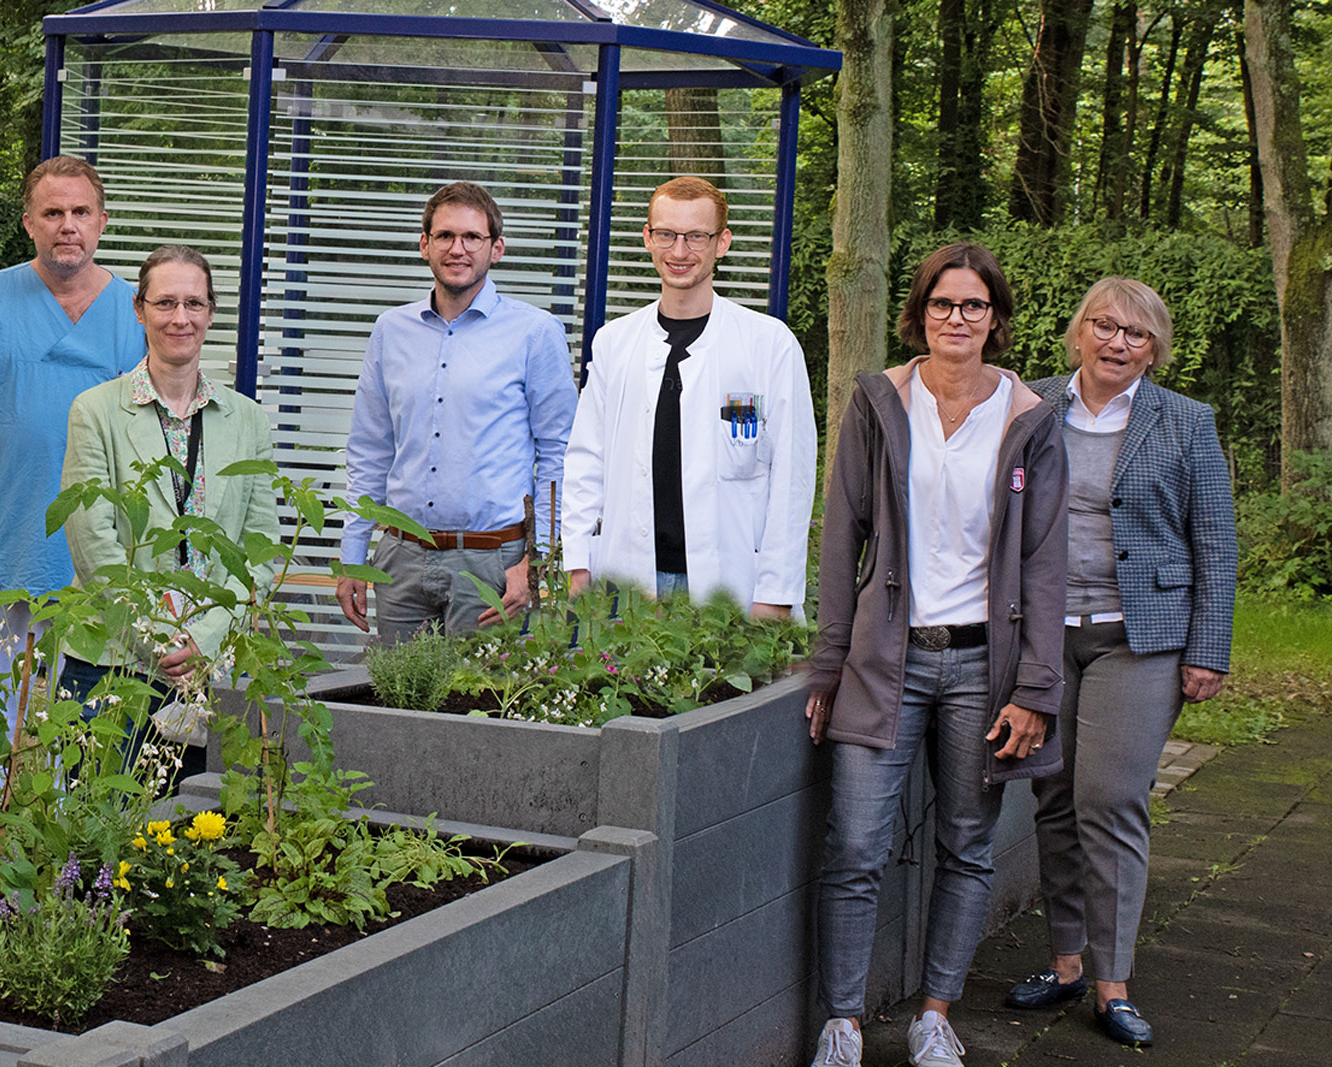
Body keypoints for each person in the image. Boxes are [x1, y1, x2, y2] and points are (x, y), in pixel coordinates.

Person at [805, 242, 1067, 1067]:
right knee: (853, 845)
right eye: (943, 304)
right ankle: (841, 1022)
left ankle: (934, 1014)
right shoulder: (881, 400)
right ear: (920, 313)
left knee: (967, 843)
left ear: (996, 319)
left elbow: (1047, 561)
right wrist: (827, 664)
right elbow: (841, 534)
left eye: (974, 306)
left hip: (984, 669)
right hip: (887, 661)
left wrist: (1037, 688)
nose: (958, 319)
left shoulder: (1029, 417)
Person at [1002, 278, 1236, 1048]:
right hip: (1044, 634)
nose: (1118, 344)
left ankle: (1113, 980)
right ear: (1078, 333)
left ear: (1155, 349)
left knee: (1109, 796)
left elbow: (1216, 541)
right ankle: (1066, 962)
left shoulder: (1185, 421)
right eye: (1105, 326)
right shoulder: (1030, 406)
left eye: (1137, 335)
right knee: (1054, 796)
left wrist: (1209, 648)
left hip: (1142, 635)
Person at [0, 156, 145, 771]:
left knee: (88, 742)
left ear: (103, 221)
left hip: (101, 566)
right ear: (28, 223)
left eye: (81, 212)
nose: (69, 225)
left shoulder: (139, 315)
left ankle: (75, 868)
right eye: (53, 212)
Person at [57, 246, 277, 784]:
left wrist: (208, 636)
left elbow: (262, 550)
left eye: (194, 303)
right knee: (103, 829)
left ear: (211, 312)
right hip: (113, 664)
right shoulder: (96, 411)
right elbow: (94, 545)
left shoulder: (247, 419)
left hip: (213, 666)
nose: (181, 318)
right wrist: (162, 640)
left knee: (201, 842)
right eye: (166, 303)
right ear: (139, 309)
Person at [335, 181, 574, 643]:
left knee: (482, 705)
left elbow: (558, 454)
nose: (457, 249)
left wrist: (537, 561)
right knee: (398, 700)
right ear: (424, 245)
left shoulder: (535, 334)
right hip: (401, 561)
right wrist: (353, 556)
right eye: (444, 236)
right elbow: (369, 450)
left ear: (496, 249)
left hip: (494, 565)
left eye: (472, 238)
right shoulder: (390, 331)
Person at [562, 177, 815, 612]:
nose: (680, 252)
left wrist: (775, 594)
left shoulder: (768, 344)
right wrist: (579, 563)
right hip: (628, 578)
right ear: (647, 238)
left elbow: (792, 482)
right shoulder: (613, 342)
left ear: (722, 243)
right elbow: (587, 460)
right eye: (666, 234)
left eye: (697, 236)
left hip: (733, 582)